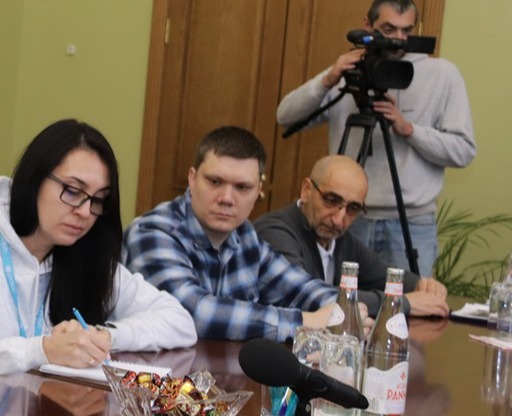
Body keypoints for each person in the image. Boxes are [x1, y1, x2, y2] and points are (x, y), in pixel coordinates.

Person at [0, 119, 197, 390]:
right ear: (35, 178)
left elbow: (179, 321)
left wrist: (102, 336)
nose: (85, 211)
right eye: (73, 191)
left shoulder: (80, 251)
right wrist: (42, 350)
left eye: (98, 199)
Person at [277, 0, 475, 276]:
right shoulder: (351, 70)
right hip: (346, 216)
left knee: (409, 300)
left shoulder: (442, 75)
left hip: (410, 223)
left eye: (406, 31)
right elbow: (285, 116)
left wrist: (410, 130)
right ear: (367, 26)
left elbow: (464, 151)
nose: (398, 39)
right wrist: (329, 79)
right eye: (388, 29)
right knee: (339, 298)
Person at [123, 126, 347, 342]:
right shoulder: (152, 231)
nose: (227, 198)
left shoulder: (244, 235)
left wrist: (345, 310)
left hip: (215, 367)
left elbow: (300, 288)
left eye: (242, 187)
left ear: (258, 191)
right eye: (215, 181)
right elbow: (192, 314)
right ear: (192, 178)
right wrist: (304, 322)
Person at [253, 155, 449, 318]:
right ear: (306, 191)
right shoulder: (274, 231)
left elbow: (383, 275)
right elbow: (307, 296)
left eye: (353, 208)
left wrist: (421, 284)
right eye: (331, 200)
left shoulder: (340, 239)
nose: (339, 220)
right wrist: (399, 302)